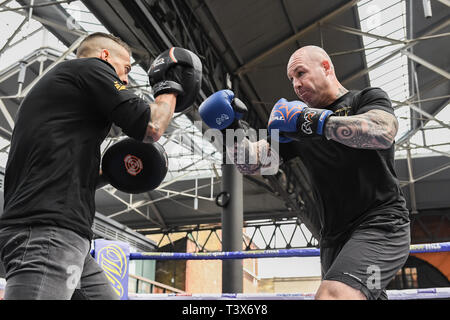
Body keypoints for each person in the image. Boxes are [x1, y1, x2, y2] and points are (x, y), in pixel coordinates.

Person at [199, 45, 410, 300]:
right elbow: (250, 162)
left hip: (380, 225)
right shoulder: (295, 126)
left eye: (300, 73)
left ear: (326, 67)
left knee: (332, 296)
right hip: (334, 238)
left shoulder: (363, 99)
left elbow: (383, 132)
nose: (296, 85)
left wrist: (311, 121)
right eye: (292, 80)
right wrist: (228, 128)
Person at [0, 32, 200, 299]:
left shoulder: (64, 104)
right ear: (105, 56)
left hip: (67, 237)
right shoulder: (90, 68)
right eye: (126, 68)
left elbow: (71, 174)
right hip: (47, 233)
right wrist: (170, 88)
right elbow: (152, 127)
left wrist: (118, 170)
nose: (127, 78)